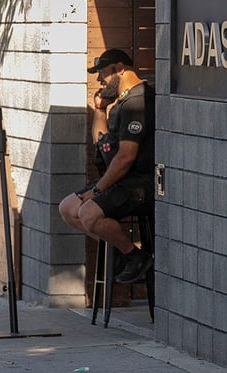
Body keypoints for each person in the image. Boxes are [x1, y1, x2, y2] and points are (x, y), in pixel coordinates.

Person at [59, 48, 155, 284]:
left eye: (102, 73)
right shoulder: (121, 104)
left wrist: (98, 190)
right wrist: (100, 109)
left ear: (119, 69)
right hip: (120, 181)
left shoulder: (139, 101)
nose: (99, 80)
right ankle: (124, 253)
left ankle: (136, 257)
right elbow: (101, 143)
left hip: (139, 183)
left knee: (88, 213)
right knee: (68, 208)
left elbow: (126, 157)